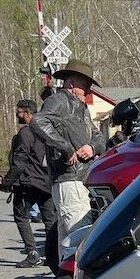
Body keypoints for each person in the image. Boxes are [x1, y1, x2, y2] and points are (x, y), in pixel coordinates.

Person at [30, 60, 107, 240]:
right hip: (69, 180)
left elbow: (99, 137)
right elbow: (38, 122)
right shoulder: (59, 101)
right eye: (86, 86)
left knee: (68, 240)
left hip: (77, 179)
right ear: (72, 83)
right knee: (80, 237)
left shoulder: (81, 108)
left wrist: (91, 147)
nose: (89, 91)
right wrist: (66, 148)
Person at [0, 100, 58, 268]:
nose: (17, 115)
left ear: (27, 113)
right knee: (50, 220)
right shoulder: (47, 129)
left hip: (28, 183)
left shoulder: (26, 132)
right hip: (47, 182)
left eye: (18, 112)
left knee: (21, 216)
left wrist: (7, 182)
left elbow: (20, 161)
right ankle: (54, 255)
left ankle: (32, 253)